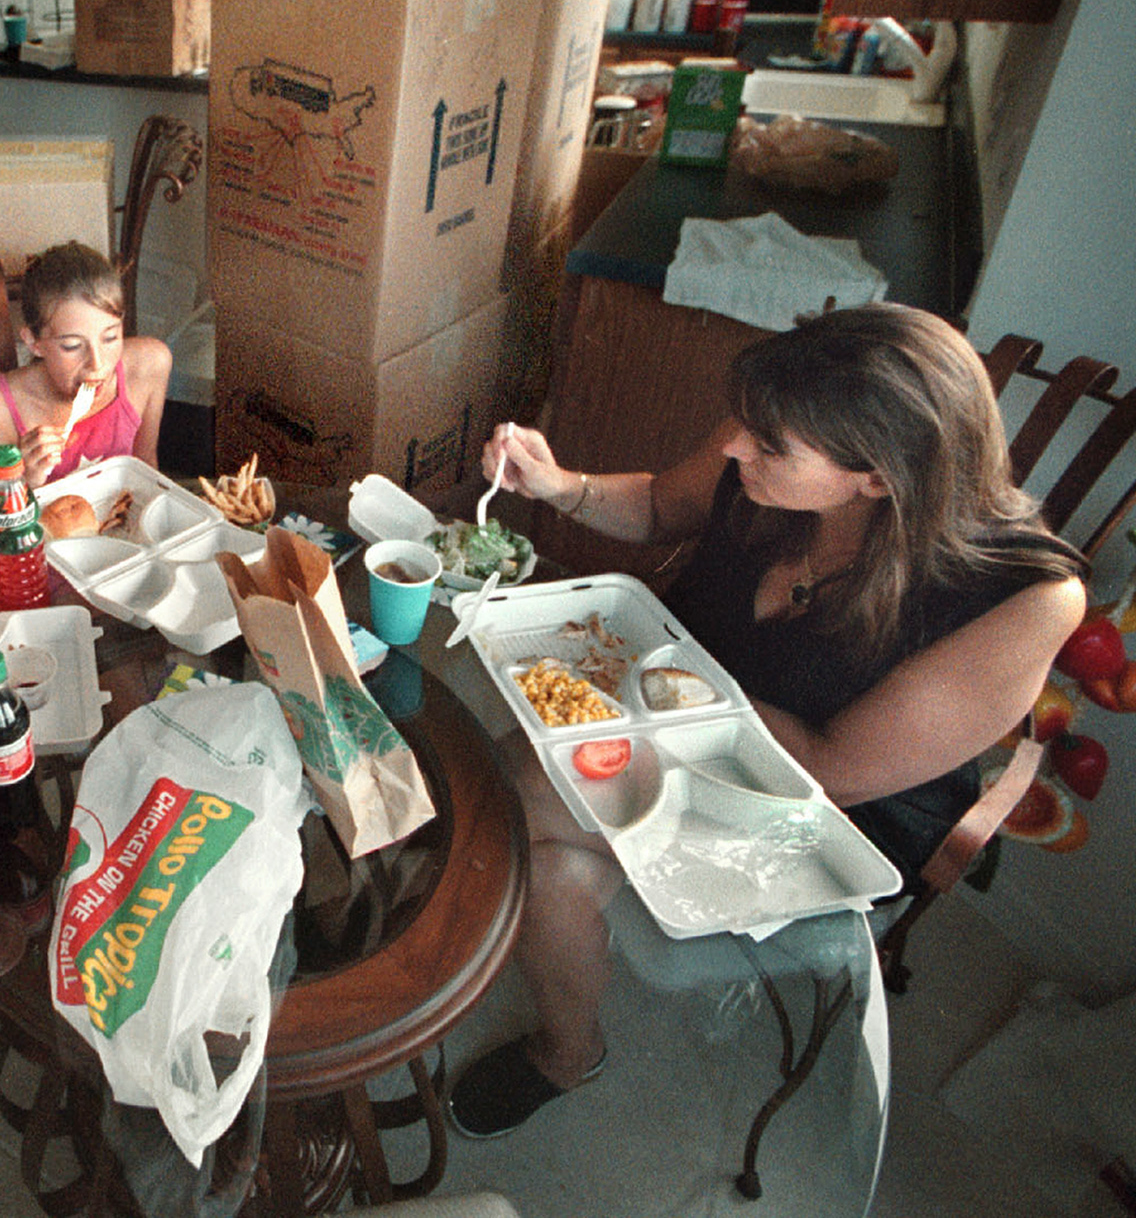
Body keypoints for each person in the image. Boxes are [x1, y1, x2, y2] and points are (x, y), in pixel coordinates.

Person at [446, 304, 1087, 1140]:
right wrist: (559, 484)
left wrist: (646, 694)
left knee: (511, 783)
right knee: (552, 867)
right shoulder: (773, 437)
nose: (735, 448)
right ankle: (570, 1049)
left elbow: (835, 767)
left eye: (769, 446)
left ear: (877, 476)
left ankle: (435, 891)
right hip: (670, 723)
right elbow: (657, 506)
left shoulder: (1025, 601)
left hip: (813, 811)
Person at [0, 240, 171, 529]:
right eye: (72, 346)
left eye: (110, 337)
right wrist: (23, 486)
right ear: (34, 342)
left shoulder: (150, 365)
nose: (97, 363)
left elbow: (147, 472)